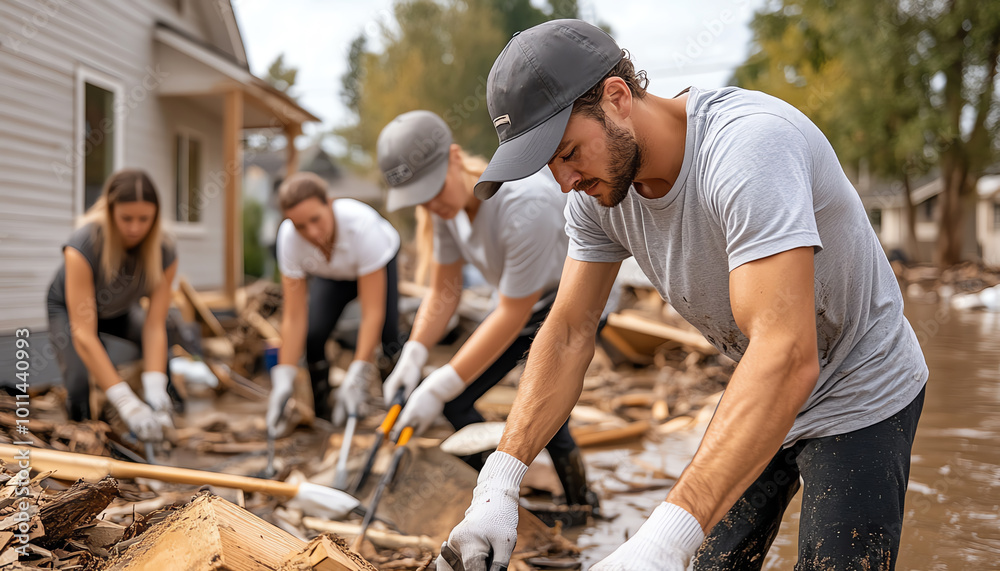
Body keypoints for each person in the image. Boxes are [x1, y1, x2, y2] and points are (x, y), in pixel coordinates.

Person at [437, 19, 928, 571]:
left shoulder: (747, 150)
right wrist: (500, 480)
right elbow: (571, 331)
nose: (565, 181)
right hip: (758, 382)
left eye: (569, 151)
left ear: (617, 98)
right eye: (550, 165)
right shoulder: (598, 196)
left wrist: (663, 539)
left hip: (859, 387)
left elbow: (789, 355)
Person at [375, 110, 600, 513]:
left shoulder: (521, 203)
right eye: (420, 199)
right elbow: (445, 291)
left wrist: (440, 381)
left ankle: (583, 504)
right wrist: (414, 355)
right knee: (457, 403)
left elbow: (513, 313)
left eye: (433, 190)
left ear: (455, 158)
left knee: (547, 407)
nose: (431, 205)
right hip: (524, 305)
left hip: (573, 300)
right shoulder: (447, 209)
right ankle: (492, 495)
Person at [46, 169, 179, 443]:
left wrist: (155, 386)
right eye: (126, 218)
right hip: (72, 312)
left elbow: (154, 326)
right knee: (78, 382)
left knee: (166, 343)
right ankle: (81, 437)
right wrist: (124, 401)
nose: (135, 228)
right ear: (110, 211)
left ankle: (166, 409)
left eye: (144, 219)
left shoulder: (165, 252)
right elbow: (84, 333)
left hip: (120, 310)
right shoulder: (83, 246)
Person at [267, 172, 402, 437]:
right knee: (314, 334)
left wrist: (359, 370)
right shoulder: (289, 239)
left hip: (376, 263)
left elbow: (371, 312)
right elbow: (294, 316)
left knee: (388, 336)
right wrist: (284, 376)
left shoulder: (362, 226)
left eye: (316, 219)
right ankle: (324, 415)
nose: (312, 233)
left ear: (329, 203)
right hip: (333, 275)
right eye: (300, 226)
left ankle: (395, 411)